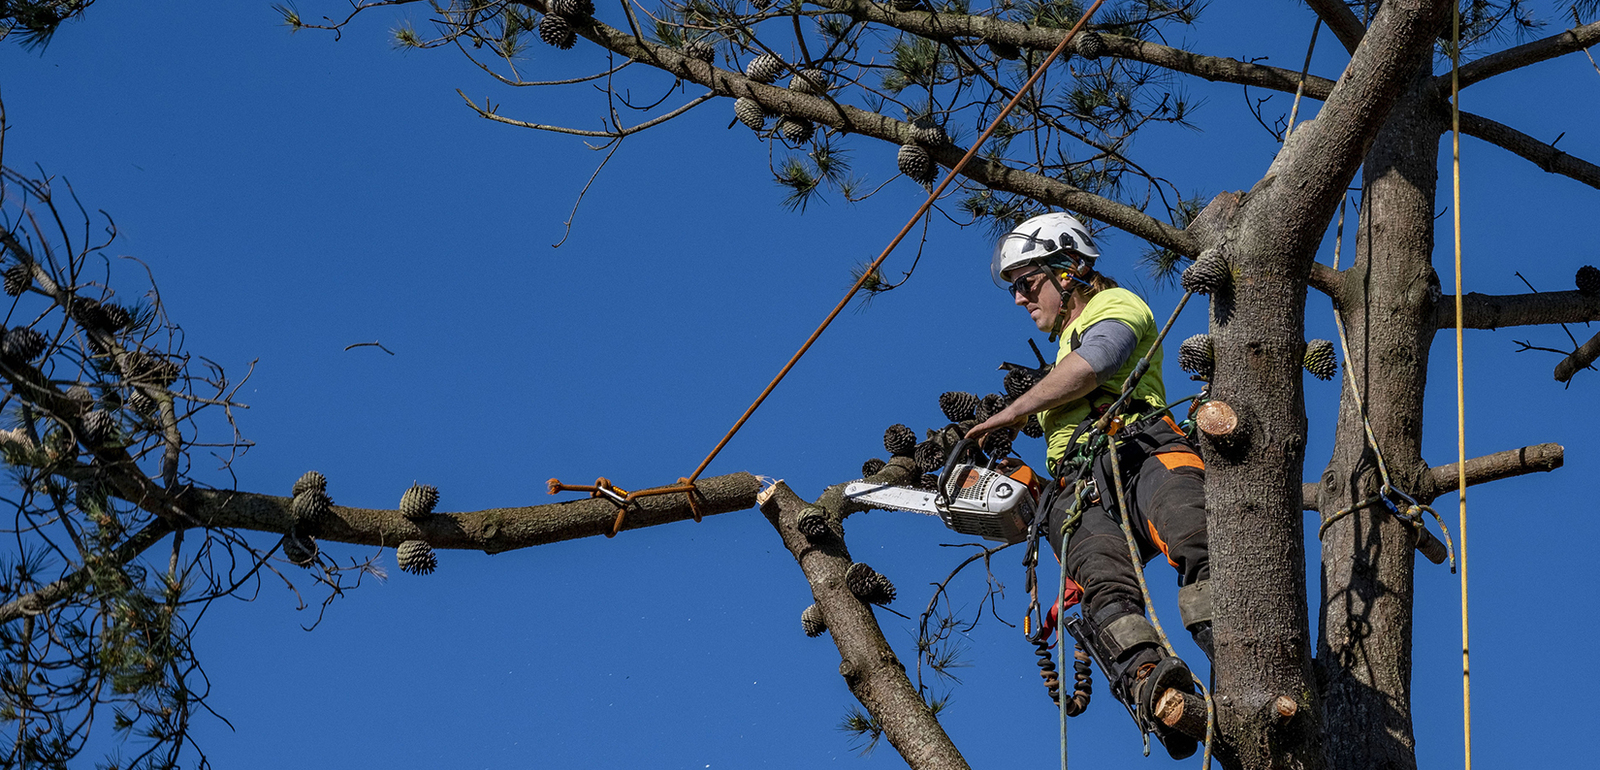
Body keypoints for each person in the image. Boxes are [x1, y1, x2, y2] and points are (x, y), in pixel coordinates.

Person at [966, 212, 1212, 760]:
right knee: (1103, 591)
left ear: (1070, 269)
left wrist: (1013, 413)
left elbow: (1099, 363)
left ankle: (1239, 644)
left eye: (1027, 283)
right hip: (1081, 489)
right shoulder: (1058, 354)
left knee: (1193, 533)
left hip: (1141, 449)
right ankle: (1155, 689)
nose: (1019, 300)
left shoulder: (1115, 306)